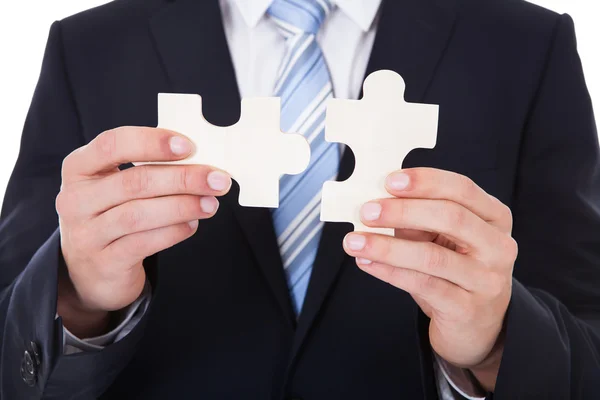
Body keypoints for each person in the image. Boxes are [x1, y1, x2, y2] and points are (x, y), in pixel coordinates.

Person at [1, 0, 599, 398]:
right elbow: (10, 351)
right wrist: (80, 297)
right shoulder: (89, 46)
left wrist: (492, 342)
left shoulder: (528, 44)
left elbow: (587, 342)